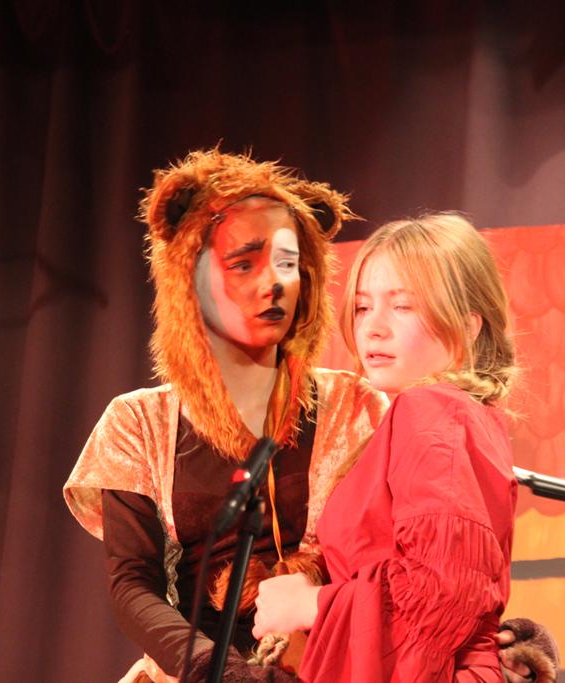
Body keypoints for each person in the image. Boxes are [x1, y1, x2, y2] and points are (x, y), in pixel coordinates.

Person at [63, 149, 389, 682]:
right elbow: (133, 586)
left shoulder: (359, 407)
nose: (273, 283)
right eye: (244, 263)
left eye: (288, 263)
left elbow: (401, 568)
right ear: (188, 278)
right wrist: (215, 670)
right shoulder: (138, 422)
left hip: (329, 665)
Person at [252, 213, 560, 682]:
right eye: (362, 307)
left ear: (468, 325)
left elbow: (439, 592)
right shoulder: (462, 415)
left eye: (402, 306)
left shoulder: (431, 409)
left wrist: (311, 604)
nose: (373, 328)